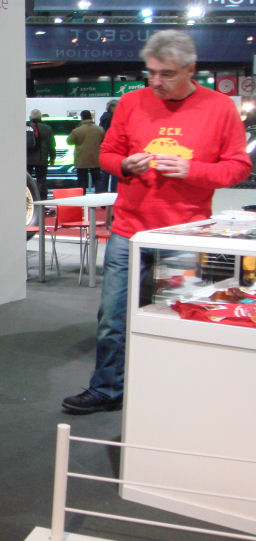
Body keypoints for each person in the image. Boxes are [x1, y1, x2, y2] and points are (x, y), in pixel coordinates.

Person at [62, 30, 251, 414]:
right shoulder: (132, 103)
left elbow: (238, 167)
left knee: (180, 318)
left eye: (166, 74)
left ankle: (175, 396)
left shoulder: (219, 108)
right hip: (129, 232)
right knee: (112, 318)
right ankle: (108, 389)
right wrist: (125, 165)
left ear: (191, 70)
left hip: (184, 235)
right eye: (150, 73)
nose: (156, 82)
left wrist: (192, 170)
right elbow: (107, 155)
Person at [67, 110, 105, 193]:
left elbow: (69, 141)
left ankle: (82, 199)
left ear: (82, 118)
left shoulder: (77, 130)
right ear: (91, 117)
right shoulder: (99, 129)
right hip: (96, 159)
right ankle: (100, 198)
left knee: (82, 182)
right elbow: (104, 141)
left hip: (82, 159)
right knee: (98, 180)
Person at [26, 109, 56, 201]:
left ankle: (28, 198)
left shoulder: (26, 126)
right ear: (40, 117)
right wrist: (52, 157)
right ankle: (41, 200)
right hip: (41, 159)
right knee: (41, 180)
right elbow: (52, 144)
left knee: (26, 180)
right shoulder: (47, 128)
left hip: (27, 159)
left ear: (30, 117)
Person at [97, 99, 119, 193]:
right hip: (113, 148)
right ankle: (113, 194)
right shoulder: (113, 118)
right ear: (112, 107)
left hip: (105, 149)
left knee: (104, 174)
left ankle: (103, 195)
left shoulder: (104, 117)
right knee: (115, 173)